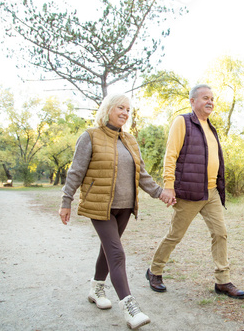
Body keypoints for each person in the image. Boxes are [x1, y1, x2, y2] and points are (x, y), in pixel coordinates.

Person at [59, 93, 166, 330]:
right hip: (100, 207)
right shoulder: (90, 136)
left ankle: (96, 289)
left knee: (107, 249)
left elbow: (142, 175)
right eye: (121, 108)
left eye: (128, 110)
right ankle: (130, 307)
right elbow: (75, 172)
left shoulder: (130, 140)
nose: (125, 113)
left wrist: (160, 192)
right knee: (116, 253)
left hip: (125, 207)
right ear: (108, 109)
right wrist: (66, 200)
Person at [146, 84, 244, 299]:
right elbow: (170, 155)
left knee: (220, 233)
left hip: (211, 193)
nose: (210, 101)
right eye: (204, 98)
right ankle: (154, 271)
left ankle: (222, 281)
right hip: (190, 193)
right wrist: (169, 185)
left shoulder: (211, 127)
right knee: (175, 235)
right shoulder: (182, 122)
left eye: (212, 98)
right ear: (192, 101)